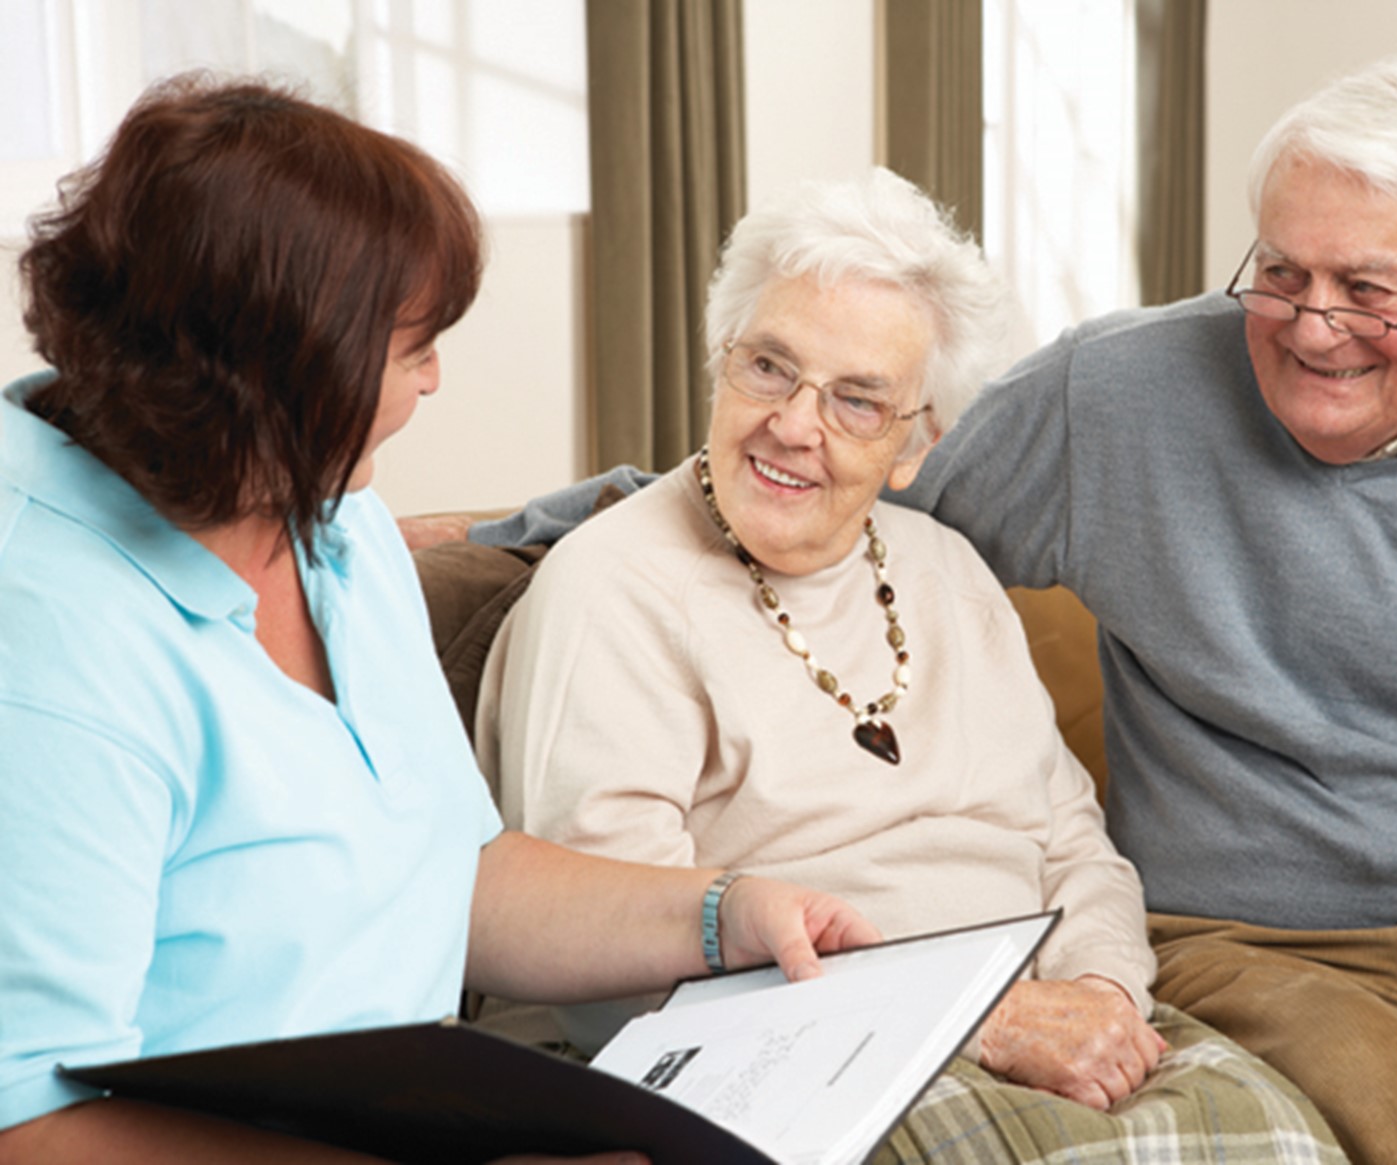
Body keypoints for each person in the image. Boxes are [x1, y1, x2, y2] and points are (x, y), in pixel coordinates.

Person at [457, 60, 1397, 1163]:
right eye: (1280, 272)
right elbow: (833, 468)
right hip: (1250, 943)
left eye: (1367, 291)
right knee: (1374, 1108)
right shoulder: (1117, 397)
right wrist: (520, 528)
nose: (1310, 326)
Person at [0, 75, 879, 1164]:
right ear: (278, 367)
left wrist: (721, 915)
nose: (434, 380)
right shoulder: (48, 643)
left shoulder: (329, 512)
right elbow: (28, 1124)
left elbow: (453, 872)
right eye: (412, 346)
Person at [473, 168, 1349, 1164]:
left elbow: (1072, 842)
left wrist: (1102, 994)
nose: (795, 425)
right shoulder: (613, 590)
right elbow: (616, 955)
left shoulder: (944, 570)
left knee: (1289, 1140)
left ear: (914, 443)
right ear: (720, 359)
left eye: (856, 400)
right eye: (768, 367)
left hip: (1038, 1019)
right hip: (799, 1054)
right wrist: (974, 1020)